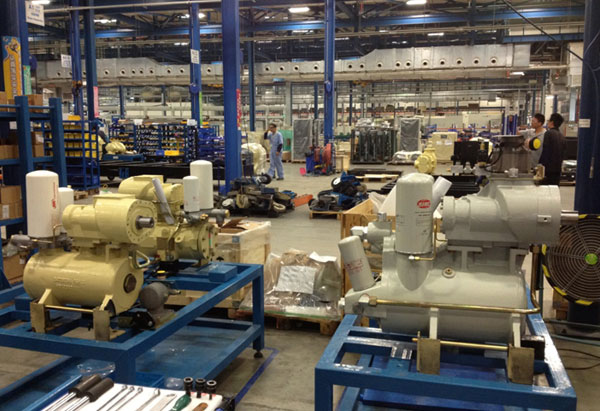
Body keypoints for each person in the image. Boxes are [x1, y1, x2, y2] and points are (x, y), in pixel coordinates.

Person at [538, 113, 566, 185]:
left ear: (552, 122)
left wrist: (540, 164)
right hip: (557, 170)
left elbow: (545, 151)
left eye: (548, 121)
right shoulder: (561, 136)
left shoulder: (548, 133)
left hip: (548, 170)